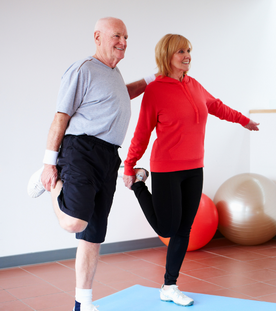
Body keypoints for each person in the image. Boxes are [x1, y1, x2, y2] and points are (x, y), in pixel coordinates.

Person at [27, 17, 154, 311]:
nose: (123, 42)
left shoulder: (113, 73)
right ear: (97, 37)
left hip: (109, 156)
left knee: (93, 235)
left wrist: (153, 78)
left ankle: (82, 303)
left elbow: (125, 92)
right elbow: (60, 117)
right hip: (81, 149)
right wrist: (50, 162)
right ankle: (49, 182)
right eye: (117, 36)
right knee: (74, 221)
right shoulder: (83, 69)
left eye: (126, 37)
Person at [122, 34, 259, 307]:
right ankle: (139, 183)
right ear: (167, 55)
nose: (187, 56)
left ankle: (169, 285)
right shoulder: (155, 90)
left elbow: (216, 106)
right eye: (181, 51)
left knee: (184, 229)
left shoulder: (194, 85)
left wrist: (243, 120)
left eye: (189, 51)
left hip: (195, 167)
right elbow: (142, 132)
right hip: (166, 168)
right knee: (166, 227)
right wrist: (129, 165)